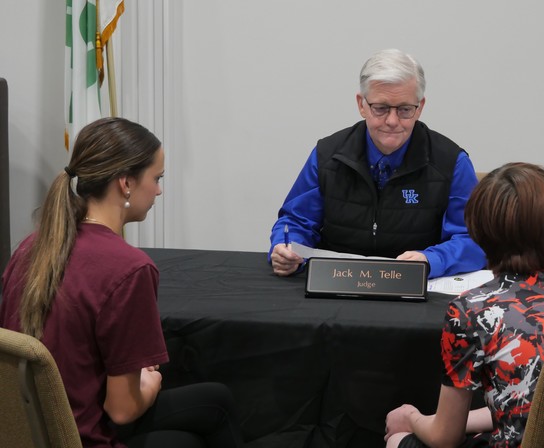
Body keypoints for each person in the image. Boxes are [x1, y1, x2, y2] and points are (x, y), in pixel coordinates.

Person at [0, 117, 244, 448]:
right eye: (156, 178)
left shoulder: (31, 246)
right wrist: (151, 380)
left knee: (214, 400)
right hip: (79, 436)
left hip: (29, 431)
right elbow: (122, 409)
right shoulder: (129, 268)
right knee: (188, 437)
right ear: (126, 183)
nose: (158, 190)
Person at [384, 163, 544, 448]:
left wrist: (411, 417)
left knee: (399, 440)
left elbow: (444, 439)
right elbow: (529, 399)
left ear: (479, 230)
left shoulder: (471, 310)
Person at [269, 49, 485, 278]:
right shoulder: (327, 155)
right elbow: (295, 220)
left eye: (404, 109)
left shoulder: (452, 162)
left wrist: (431, 259)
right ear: (361, 105)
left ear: (419, 107)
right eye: (380, 108)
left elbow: (474, 240)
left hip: (415, 286)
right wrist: (286, 248)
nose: (392, 121)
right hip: (338, 284)